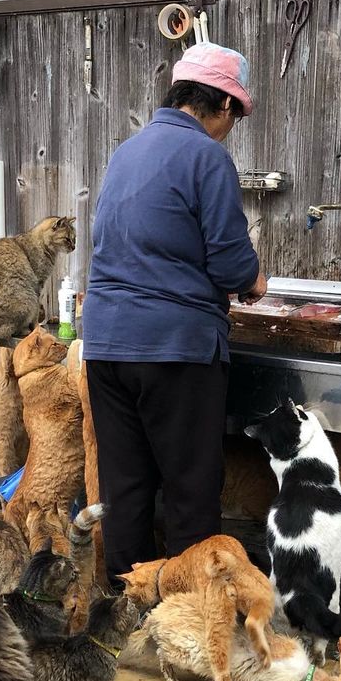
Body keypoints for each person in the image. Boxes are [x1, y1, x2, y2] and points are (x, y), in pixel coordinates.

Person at [82, 42, 266, 583]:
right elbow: (232, 264)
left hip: (107, 344)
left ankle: (127, 609)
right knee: (190, 492)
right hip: (174, 349)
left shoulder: (127, 151)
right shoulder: (207, 156)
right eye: (238, 115)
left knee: (126, 486)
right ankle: (190, 614)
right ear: (225, 106)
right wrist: (254, 278)